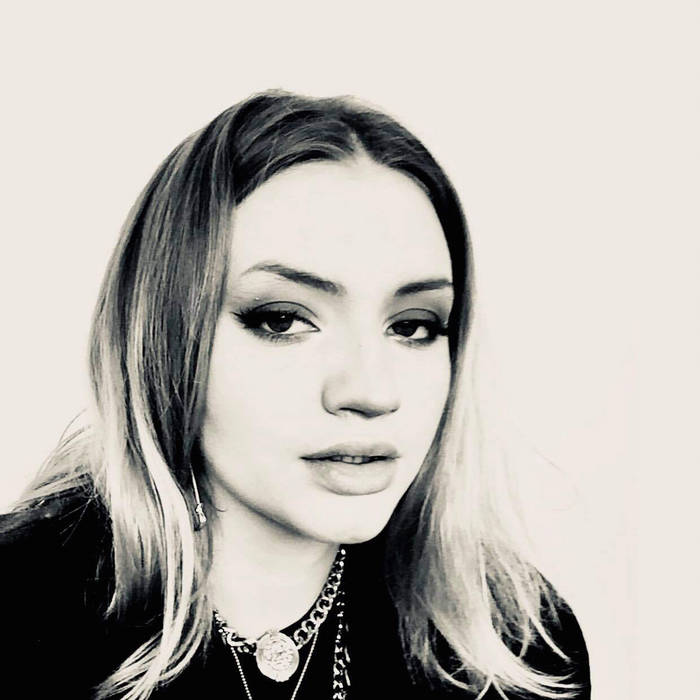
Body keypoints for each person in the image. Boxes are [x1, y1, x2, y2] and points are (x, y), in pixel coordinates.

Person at [0, 90, 590, 699]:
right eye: (282, 320)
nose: (370, 391)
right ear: (164, 339)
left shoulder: (518, 647)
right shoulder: (20, 622)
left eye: (413, 326)